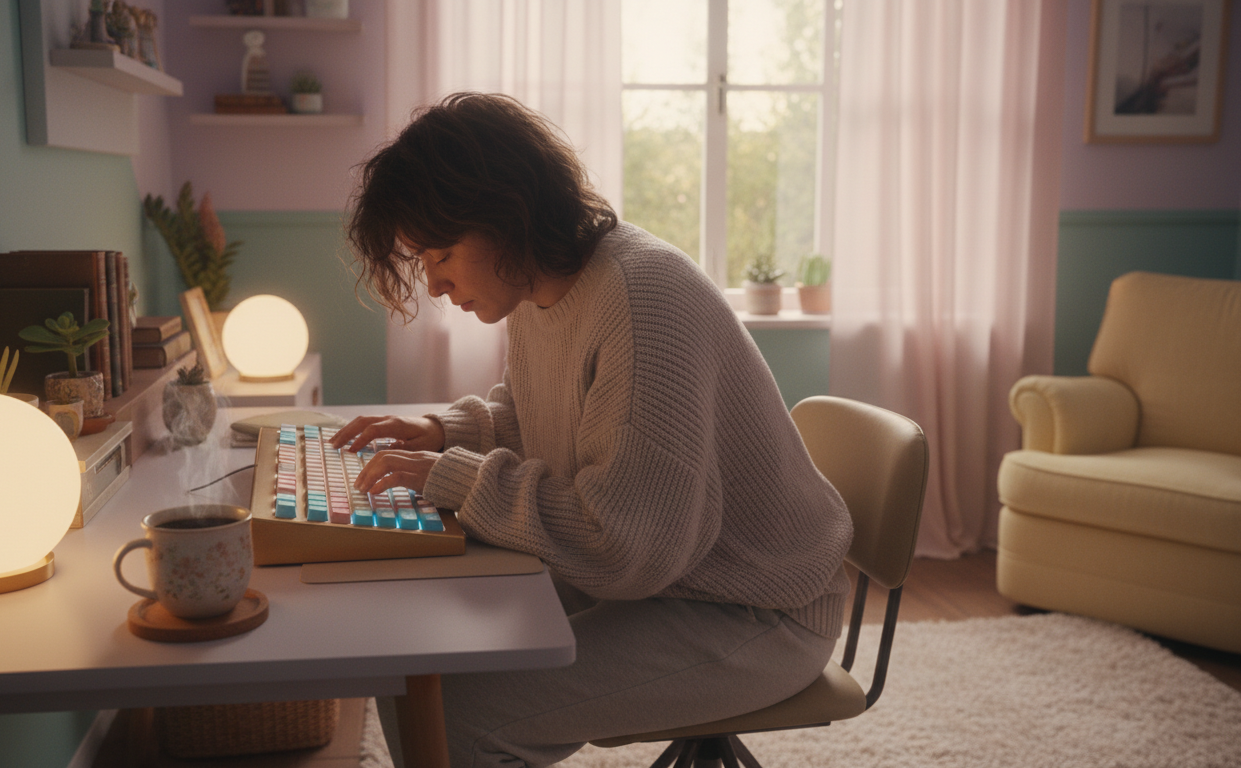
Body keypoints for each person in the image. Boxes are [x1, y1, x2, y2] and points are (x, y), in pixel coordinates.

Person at [331, 92, 853, 768]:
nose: (434, 285)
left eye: (443, 254)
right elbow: (539, 420)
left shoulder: (640, 298)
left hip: (756, 608)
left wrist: (455, 477)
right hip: (682, 576)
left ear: (506, 215)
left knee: (453, 718)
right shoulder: (542, 289)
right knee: (421, 660)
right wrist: (439, 432)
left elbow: (624, 543)